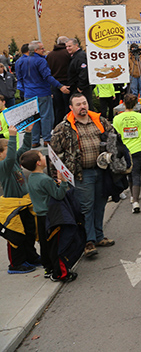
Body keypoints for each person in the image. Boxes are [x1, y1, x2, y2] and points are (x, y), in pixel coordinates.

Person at [50, 93, 117, 258]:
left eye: (84, 103)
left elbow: (114, 139)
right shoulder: (63, 127)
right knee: (85, 207)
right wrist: (56, 176)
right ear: (71, 108)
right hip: (81, 174)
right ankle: (88, 241)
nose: (83, 107)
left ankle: (99, 236)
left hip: (101, 170)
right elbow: (55, 154)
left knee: (100, 205)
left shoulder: (100, 121)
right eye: (78, 104)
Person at [20, 149, 74, 282]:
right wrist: (63, 182)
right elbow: (58, 195)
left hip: (40, 215)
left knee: (45, 244)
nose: (44, 157)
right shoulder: (44, 179)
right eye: (41, 156)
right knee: (55, 244)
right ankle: (59, 273)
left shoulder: (32, 177)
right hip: (50, 216)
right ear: (38, 163)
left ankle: (48, 267)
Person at [0, 125, 38, 274]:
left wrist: (28, 132)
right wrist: (12, 136)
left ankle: (31, 257)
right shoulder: (3, 166)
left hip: (24, 203)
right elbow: (10, 158)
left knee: (29, 232)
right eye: (7, 149)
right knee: (16, 236)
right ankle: (16, 264)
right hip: (12, 207)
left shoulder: (13, 160)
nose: (11, 151)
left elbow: (24, 151)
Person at [20, 40, 70, 147]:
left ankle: (34, 141)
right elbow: (47, 77)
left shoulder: (21, 61)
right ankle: (47, 139)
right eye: (42, 48)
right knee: (46, 116)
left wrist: (24, 91)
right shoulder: (41, 61)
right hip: (42, 92)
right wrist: (60, 86)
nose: (44, 50)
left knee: (33, 118)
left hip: (28, 94)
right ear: (35, 50)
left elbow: (19, 79)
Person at [113, 94, 141, 213]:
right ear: (135, 105)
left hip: (124, 150)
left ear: (123, 104)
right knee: (136, 174)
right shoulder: (140, 117)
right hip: (138, 148)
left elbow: (115, 136)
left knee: (129, 172)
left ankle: (132, 196)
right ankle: (135, 200)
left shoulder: (117, 118)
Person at [65, 38, 93, 110]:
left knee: (84, 107)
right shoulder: (75, 56)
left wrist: (80, 87)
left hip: (81, 89)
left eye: (69, 46)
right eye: (66, 47)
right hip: (77, 87)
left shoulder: (80, 56)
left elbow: (83, 72)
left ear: (76, 45)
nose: (67, 48)